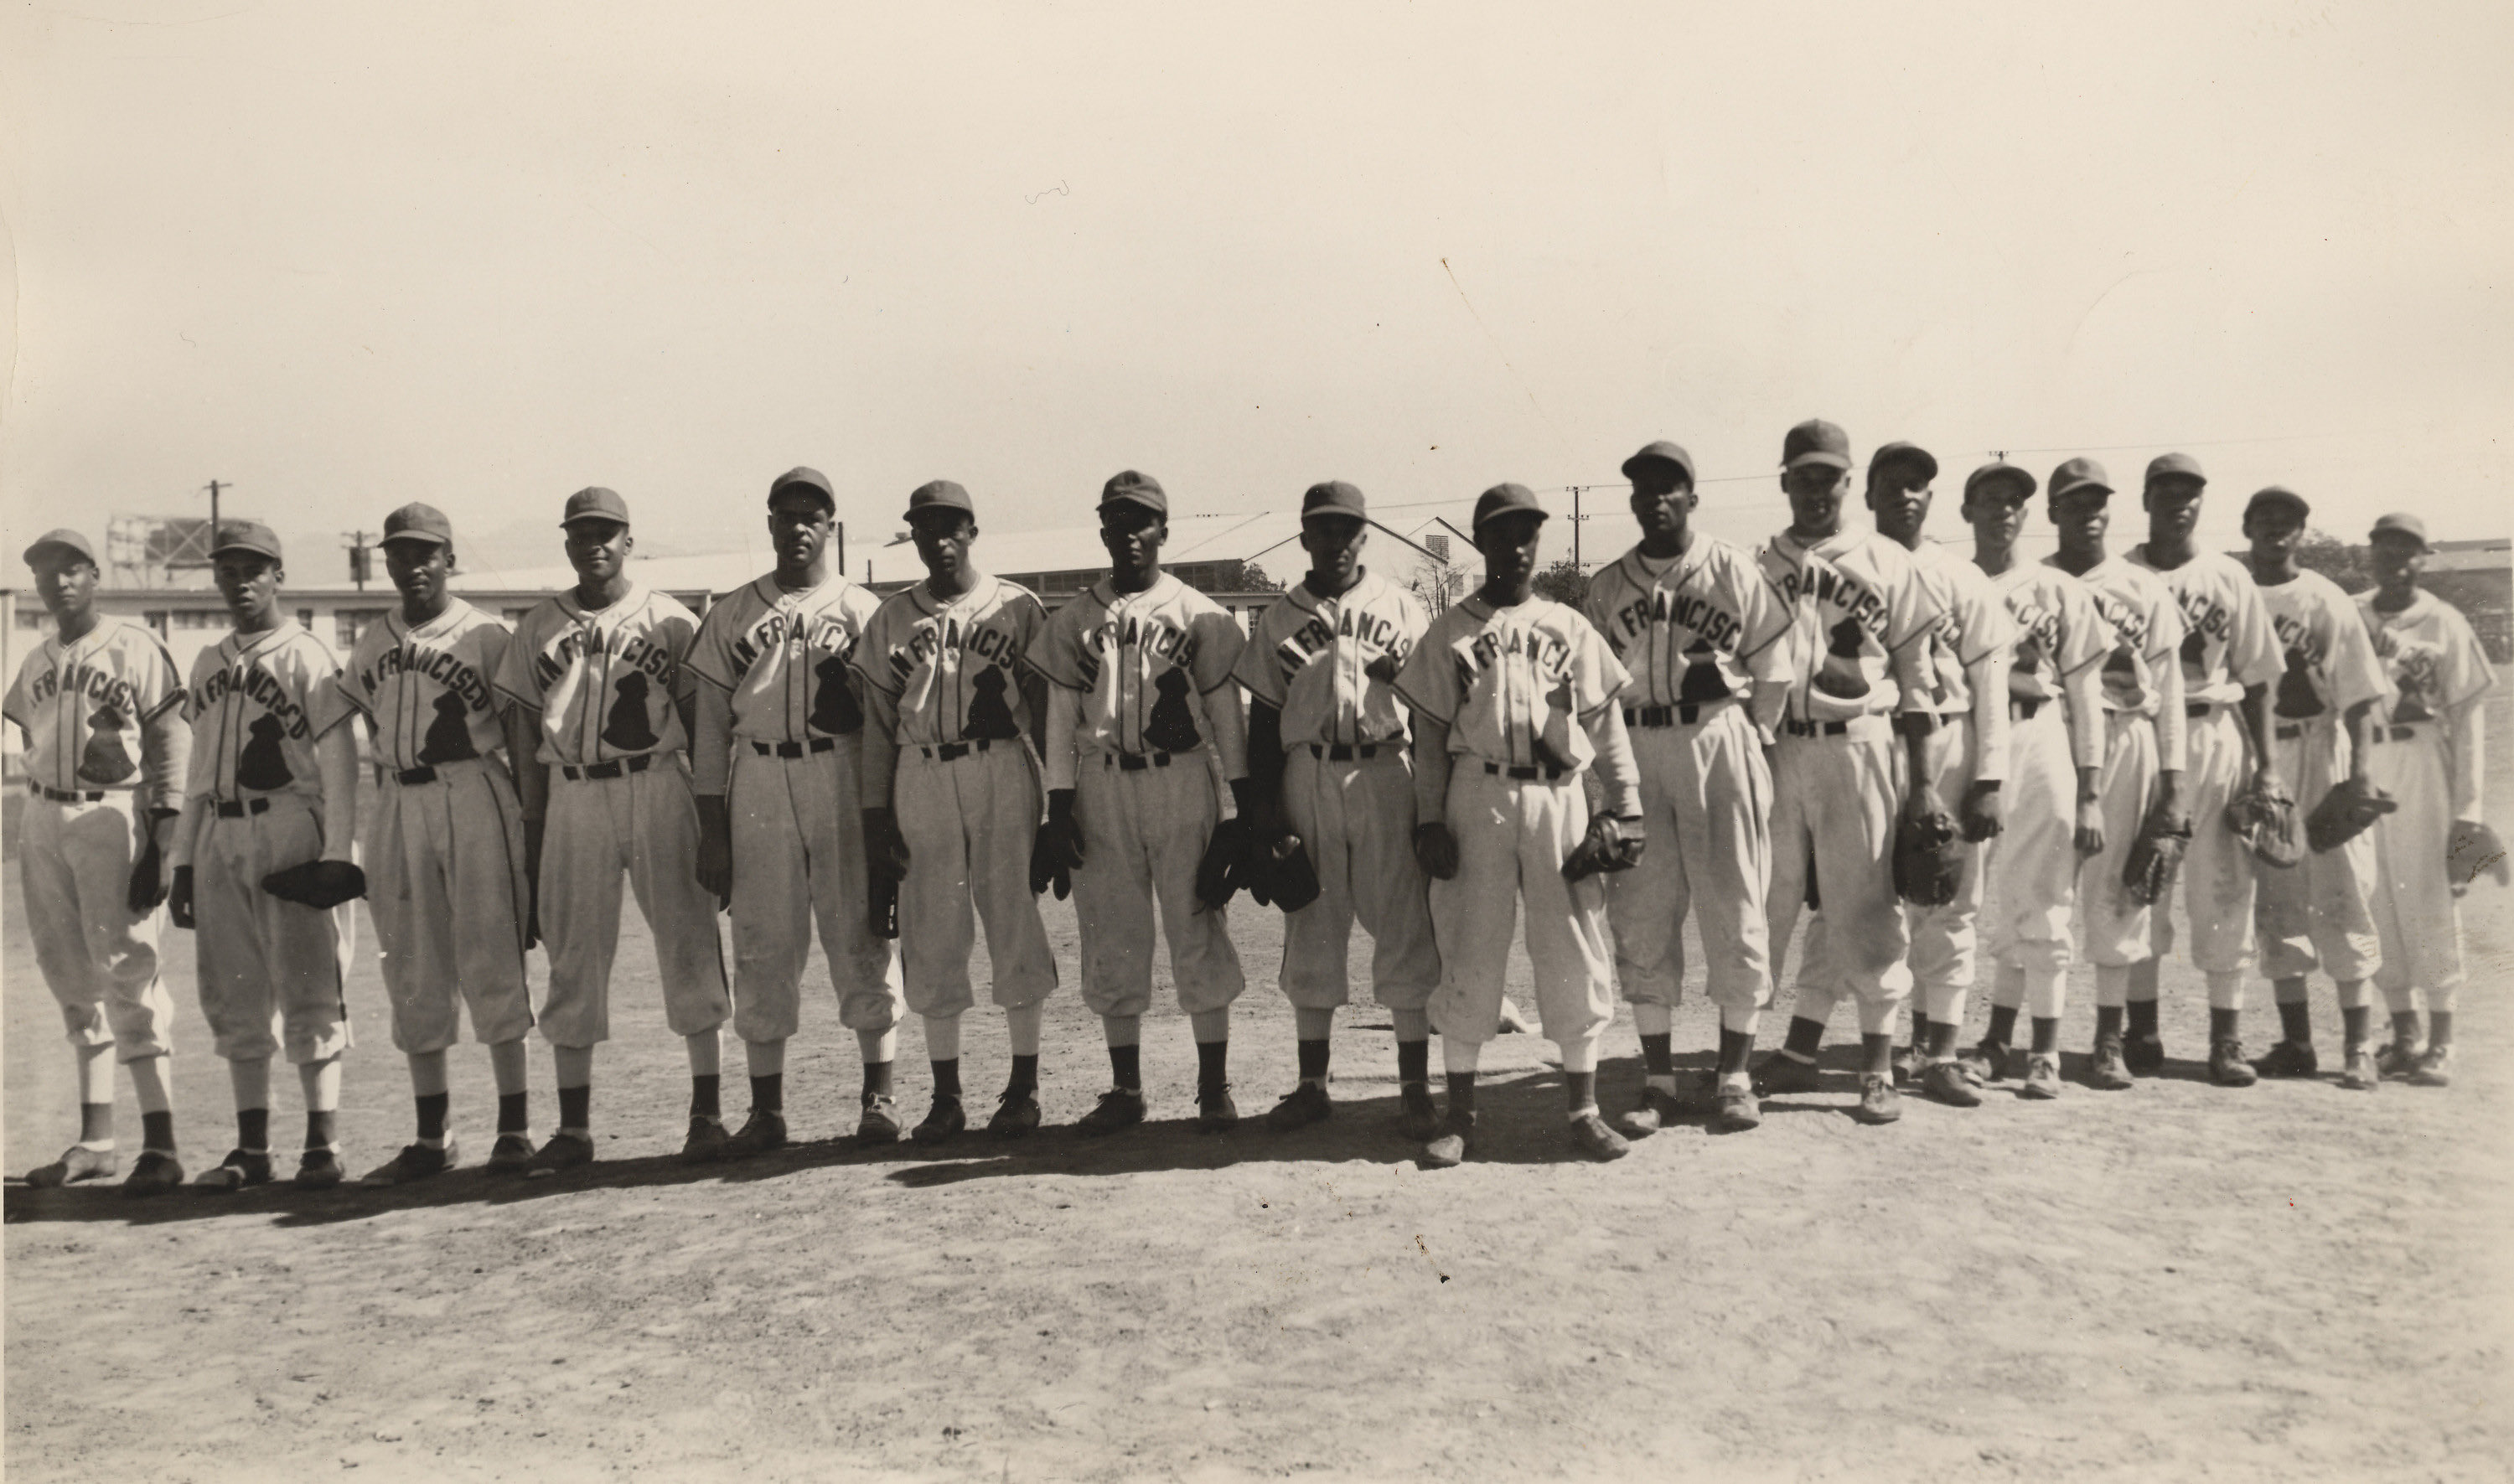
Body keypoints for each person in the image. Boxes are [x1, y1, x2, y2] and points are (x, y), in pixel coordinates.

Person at [1394, 482, 1645, 1166]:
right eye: (1502, 533)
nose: (1517, 545)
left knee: (1573, 945)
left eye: (1527, 532)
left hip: (1560, 797)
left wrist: (1626, 806)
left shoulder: (1568, 625)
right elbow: (1427, 732)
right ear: (1482, 542)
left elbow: (1608, 726)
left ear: (1540, 541)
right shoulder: (1450, 631)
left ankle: (1584, 1110)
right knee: (1470, 945)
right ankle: (1462, 1115)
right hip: (1478, 795)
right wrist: (1428, 819)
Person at [492, 488, 731, 1175]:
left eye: (607, 532)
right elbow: (520, 734)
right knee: (572, 949)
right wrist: (533, 834)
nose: (594, 543)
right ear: (567, 544)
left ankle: (707, 1112)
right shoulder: (538, 625)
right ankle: (573, 1125)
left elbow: (704, 724)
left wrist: (713, 817)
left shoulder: (673, 621)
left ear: (630, 540)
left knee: (688, 938)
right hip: (571, 792)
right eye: (581, 534)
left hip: (658, 781)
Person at [685, 468, 902, 1156]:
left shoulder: (866, 610)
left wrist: (879, 815)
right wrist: (713, 827)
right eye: (787, 515)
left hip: (841, 769)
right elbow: (709, 730)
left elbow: (883, 725)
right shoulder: (732, 611)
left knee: (860, 935)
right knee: (761, 940)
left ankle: (879, 1095)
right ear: (771, 523)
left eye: (813, 516)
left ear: (832, 527)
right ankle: (767, 1109)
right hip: (758, 778)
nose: (799, 527)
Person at [1029, 471, 1253, 1134]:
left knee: (1195, 923)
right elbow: (1058, 718)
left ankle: (1213, 1087)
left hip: (1181, 779)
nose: (1130, 533)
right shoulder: (1074, 618)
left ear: (1164, 529)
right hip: (1101, 781)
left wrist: (1239, 813)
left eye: (1142, 521)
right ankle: (1126, 1089)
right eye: (1118, 522)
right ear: (1102, 531)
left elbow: (1227, 719)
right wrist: (1058, 808)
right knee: (1112, 930)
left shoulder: (1196, 612)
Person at [1751, 421, 1958, 1125]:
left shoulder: (1890, 561)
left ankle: (1877, 1065)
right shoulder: (1758, 566)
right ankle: (1745, 1058)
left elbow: (1919, 683)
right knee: (1769, 902)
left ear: (1849, 482)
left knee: (1868, 903)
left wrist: (1924, 783)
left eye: (1829, 477)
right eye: (1802, 476)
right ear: (1784, 480)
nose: (1816, 490)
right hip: (1778, 748)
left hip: (1862, 745)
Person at [1580, 442, 1787, 1134]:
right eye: (1642, 488)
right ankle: (1658, 1078)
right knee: (1640, 909)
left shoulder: (1732, 568)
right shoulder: (1608, 586)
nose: (1654, 499)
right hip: (1637, 742)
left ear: (1692, 497)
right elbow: (1589, 691)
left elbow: (1775, 670)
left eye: (1669, 488)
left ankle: (1734, 1075)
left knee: (1735, 903)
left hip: (1717, 734)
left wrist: (1755, 740)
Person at [336, 504, 541, 1183]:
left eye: (426, 553)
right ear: (386, 561)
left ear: (449, 558)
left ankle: (514, 1128)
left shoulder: (485, 634)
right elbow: (366, 724)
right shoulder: (372, 641)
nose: (413, 565)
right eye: (400, 553)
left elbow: (515, 733)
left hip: (474, 789)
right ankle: (433, 1136)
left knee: (490, 951)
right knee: (412, 964)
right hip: (398, 798)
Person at [1233, 481, 1444, 1138]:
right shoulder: (1277, 616)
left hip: (1386, 769)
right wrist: (1265, 812)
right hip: (1309, 770)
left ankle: (1414, 1088)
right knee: (1313, 929)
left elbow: (1434, 716)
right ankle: (1312, 1086)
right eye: (1324, 530)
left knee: (1405, 925)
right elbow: (1264, 722)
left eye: (1349, 530)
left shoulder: (1405, 608)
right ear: (1304, 537)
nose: (1337, 543)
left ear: (1365, 536)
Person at [851, 479, 1059, 1141]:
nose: (939, 539)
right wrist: (877, 816)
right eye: (925, 527)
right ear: (911, 535)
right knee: (932, 934)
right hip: (920, 772)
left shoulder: (1019, 607)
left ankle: (1023, 1088)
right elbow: (878, 728)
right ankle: (946, 1096)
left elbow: (1052, 712)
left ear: (973, 531)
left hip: (1001, 765)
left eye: (951, 527)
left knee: (1013, 924)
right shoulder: (890, 618)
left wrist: (1057, 803)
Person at [169, 521, 362, 1191]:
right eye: (229, 570)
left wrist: (338, 854)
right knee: (234, 992)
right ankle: (252, 1148)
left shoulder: (308, 655)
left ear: (279, 574)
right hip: (220, 832)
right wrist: (184, 863)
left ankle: (322, 1142)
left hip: (289, 826)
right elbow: (196, 774)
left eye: (255, 568)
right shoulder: (206, 661)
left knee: (311, 985)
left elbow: (341, 765)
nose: (241, 581)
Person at [8, 528, 189, 1194]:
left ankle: (162, 1143)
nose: (58, 581)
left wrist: (163, 842)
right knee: (69, 972)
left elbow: (171, 740)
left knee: (128, 970)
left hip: (112, 813)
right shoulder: (35, 659)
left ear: (95, 575)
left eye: (71, 568)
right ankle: (97, 1139)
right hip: (44, 813)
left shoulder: (135, 644)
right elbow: (31, 731)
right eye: (46, 571)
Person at [2030, 458, 2190, 1098]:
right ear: (2054, 513)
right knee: (2041, 887)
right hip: (2047, 735)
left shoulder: (2141, 585)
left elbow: (2172, 690)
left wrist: (2175, 784)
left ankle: (2107, 1040)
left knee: (2120, 893)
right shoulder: (2034, 581)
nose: (2089, 511)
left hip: (2125, 736)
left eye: (2098, 501)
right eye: (2074, 502)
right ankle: (2016, 1038)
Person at [2125, 453, 2285, 1084]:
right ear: (2146, 500)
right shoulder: (2122, 574)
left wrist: (2268, 768)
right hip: (2140, 734)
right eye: (2166, 492)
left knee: (2224, 888)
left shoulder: (2227, 575)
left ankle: (2227, 1038)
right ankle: (2141, 1030)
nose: (2179, 503)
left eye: (2190, 493)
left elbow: (2261, 681)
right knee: (2140, 884)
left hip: (2213, 731)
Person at [1957, 464, 2113, 1095]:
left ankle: (2043, 1048)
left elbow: (2087, 692)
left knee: (2042, 895)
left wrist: (2093, 791)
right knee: (1960, 899)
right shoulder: (1949, 579)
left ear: (2028, 514)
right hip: (1964, 738)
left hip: (2040, 731)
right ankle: (1985, 1040)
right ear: (1967, 511)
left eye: (2015, 502)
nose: (2003, 511)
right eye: (1990, 500)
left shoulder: (2057, 587)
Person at [2242, 487, 2394, 1089]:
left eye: (2289, 522)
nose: (2277, 529)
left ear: (2302, 532)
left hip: (2320, 745)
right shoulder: (2238, 591)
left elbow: (2359, 696)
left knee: (2343, 892)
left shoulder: (2324, 597)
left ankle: (2360, 1043)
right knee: (2276, 894)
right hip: (2260, 755)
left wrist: (2359, 772)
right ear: (2247, 527)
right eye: (2265, 520)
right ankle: (2296, 1043)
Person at [2356, 511, 2498, 1087]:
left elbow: (2467, 723)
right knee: (2375, 898)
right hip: (2365, 762)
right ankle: (2404, 1033)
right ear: (2371, 554)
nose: (2395, 559)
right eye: (2384, 548)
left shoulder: (2444, 622)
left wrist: (2469, 812)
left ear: (2423, 558)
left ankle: (2443, 1038)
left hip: (2422, 763)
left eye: (2407, 550)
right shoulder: (2353, 614)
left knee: (2428, 898)